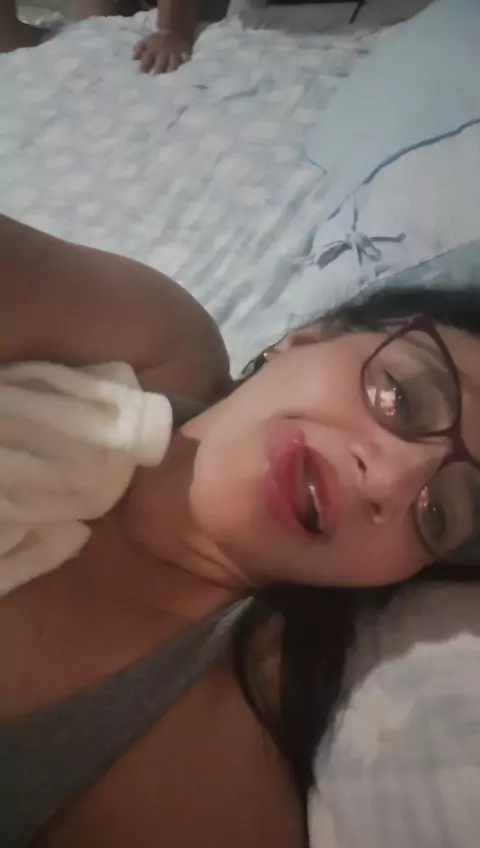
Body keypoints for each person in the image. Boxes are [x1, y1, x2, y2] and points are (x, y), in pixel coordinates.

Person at [0, 212, 480, 847]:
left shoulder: (207, 778)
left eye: (438, 514)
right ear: (304, 340)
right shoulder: (157, 339)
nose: (390, 481)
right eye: (400, 395)